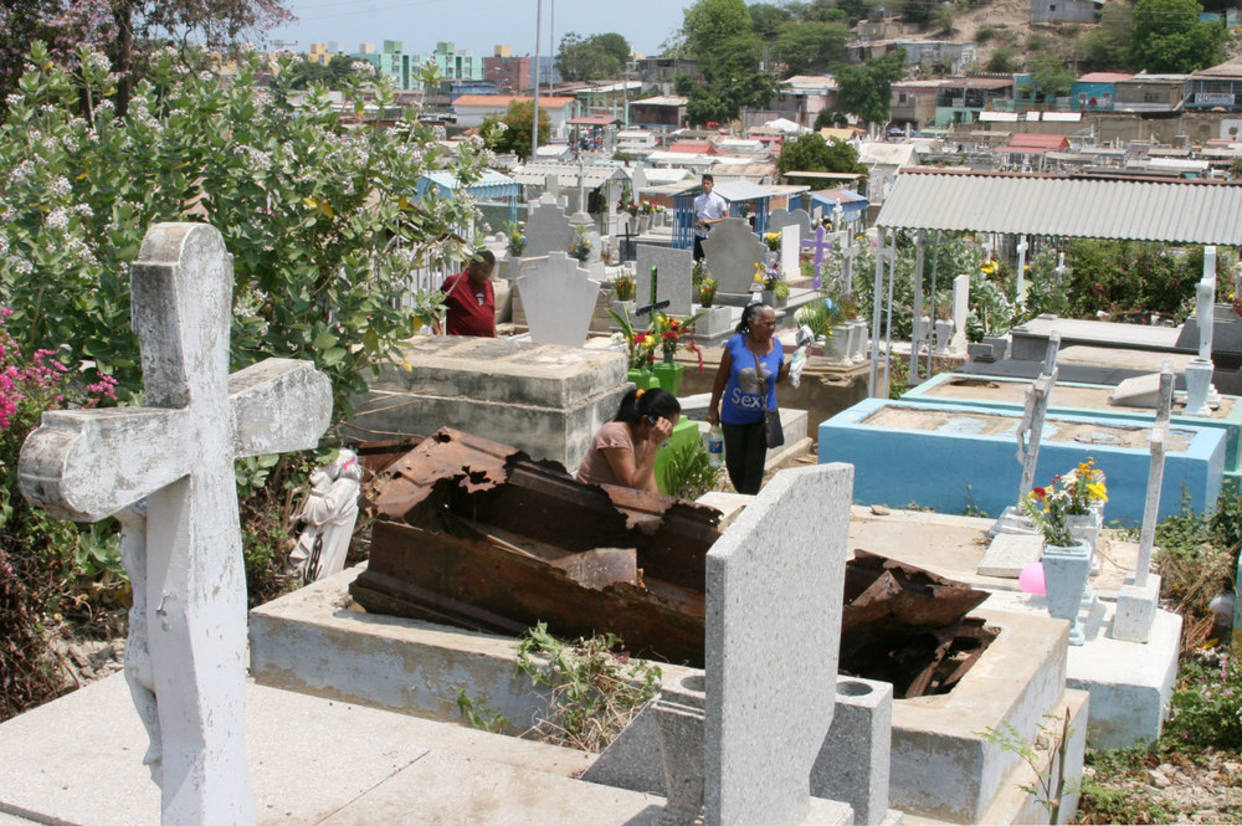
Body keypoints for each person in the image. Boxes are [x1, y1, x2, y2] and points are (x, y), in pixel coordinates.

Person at [706, 303, 788, 495]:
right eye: (767, 324)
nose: (772, 328)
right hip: (733, 416)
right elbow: (721, 377)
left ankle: (748, 502)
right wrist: (712, 407)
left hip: (762, 419)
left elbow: (778, 379)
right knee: (734, 464)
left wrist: (794, 365)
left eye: (774, 323)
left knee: (754, 466)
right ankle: (745, 497)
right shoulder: (736, 344)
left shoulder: (777, 346)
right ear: (752, 322)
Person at [577, 387, 681, 492]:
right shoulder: (614, 433)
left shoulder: (644, 441)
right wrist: (653, 444)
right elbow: (633, 490)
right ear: (645, 420)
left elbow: (652, 492)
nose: (670, 435)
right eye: (667, 429)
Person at [436, 250, 496, 337]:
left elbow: (490, 315)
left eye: (489, 272)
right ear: (472, 264)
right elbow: (434, 309)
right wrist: (438, 332)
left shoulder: (488, 284)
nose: (486, 276)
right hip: (460, 344)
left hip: (485, 343)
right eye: (483, 271)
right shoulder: (454, 282)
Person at [692, 173, 728, 262]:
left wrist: (709, 222)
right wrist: (696, 224)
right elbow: (696, 215)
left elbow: (727, 218)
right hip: (700, 235)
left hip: (713, 235)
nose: (706, 186)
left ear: (712, 185)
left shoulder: (719, 201)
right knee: (697, 261)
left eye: (708, 183)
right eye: (704, 184)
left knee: (712, 262)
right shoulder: (697, 200)